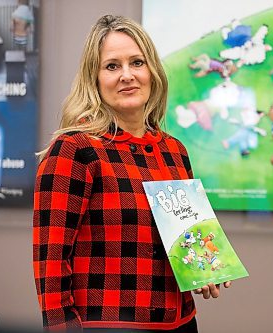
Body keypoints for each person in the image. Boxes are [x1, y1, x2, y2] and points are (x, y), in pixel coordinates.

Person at [33, 15, 231, 332]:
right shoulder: (74, 150)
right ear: (94, 78)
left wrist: (203, 267)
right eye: (112, 66)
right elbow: (50, 260)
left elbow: (187, 231)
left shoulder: (174, 150)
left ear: (151, 71)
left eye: (136, 62)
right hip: (106, 325)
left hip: (179, 321)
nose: (127, 75)